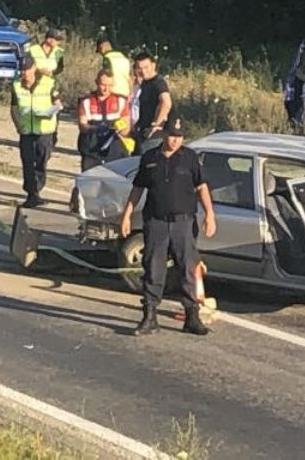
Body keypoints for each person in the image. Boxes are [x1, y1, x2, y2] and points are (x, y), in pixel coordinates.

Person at [119, 117, 216, 336]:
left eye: (179, 137)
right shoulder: (150, 158)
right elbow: (137, 189)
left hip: (183, 222)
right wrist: (126, 216)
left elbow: (202, 187)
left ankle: (192, 316)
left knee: (188, 267)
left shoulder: (190, 158)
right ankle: (150, 315)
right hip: (156, 221)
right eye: (172, 136)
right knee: (154, 266)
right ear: (164, 135)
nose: (175, 141)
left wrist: (210, 214)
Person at [11, 54, 62, 208]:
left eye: (26, 69)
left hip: (44, 130)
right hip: (26, 130)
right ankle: (32, 193)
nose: (24, 73)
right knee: (27, 161)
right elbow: (14, 108)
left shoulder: (48, 83)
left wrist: (52, 112)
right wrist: (17, 125)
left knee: (41, 160)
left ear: (33, 68)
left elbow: (58, 104)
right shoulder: (16, 85)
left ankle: (38, 185)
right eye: (21, 70)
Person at [76, 70, 131, 171]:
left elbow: (126, 128)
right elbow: (82, 125)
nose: (106, 89)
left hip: (115, 150)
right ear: (96, 82)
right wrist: (95, 129)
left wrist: (120, 128)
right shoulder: (86, 101)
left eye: (110, 85)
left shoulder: (121, 101)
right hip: (91, 148)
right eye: (103, 84)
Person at [132, 52, 172, 153]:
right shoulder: (145, 82)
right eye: (139, 68)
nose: (143, 71)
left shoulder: (158, 82)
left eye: (146, 67)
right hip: (142, 133)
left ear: (153, 65)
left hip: (153, 137)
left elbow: (166, 102)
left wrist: (156, 125)